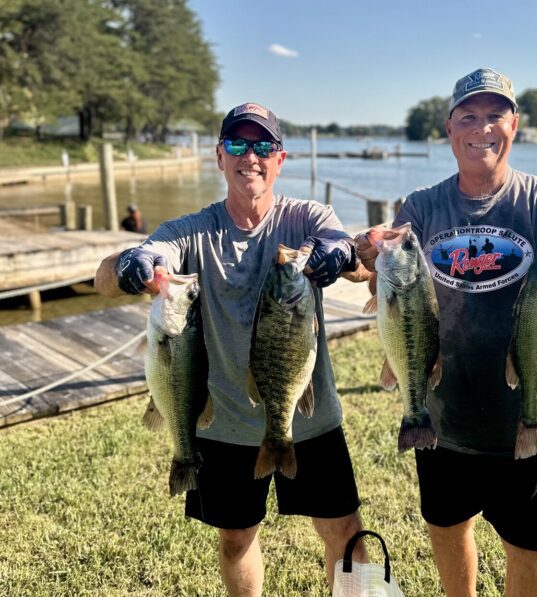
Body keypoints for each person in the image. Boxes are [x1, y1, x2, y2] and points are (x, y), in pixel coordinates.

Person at [356, 68, 537, 597]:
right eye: (469, 117)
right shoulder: (423, 207)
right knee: (448, 531)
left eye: (495, 115)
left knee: (530, 550)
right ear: (450, 129)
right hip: (443, 413)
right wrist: (364, 257)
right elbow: (380, 281)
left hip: (535, 409)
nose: (483, 128)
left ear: (514, 125)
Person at [95, 101, 369, 596]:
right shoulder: (190, 231)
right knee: (235, 540)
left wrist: (344, 253)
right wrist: (131, 263)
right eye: (239, 145)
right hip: (223, 421)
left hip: (308, 415)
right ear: (219, 157)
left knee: (346, 534)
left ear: (280, 159)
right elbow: (110, 277)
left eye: (263, 145)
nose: (251, 156)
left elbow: (353, 257)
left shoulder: (307, 218)